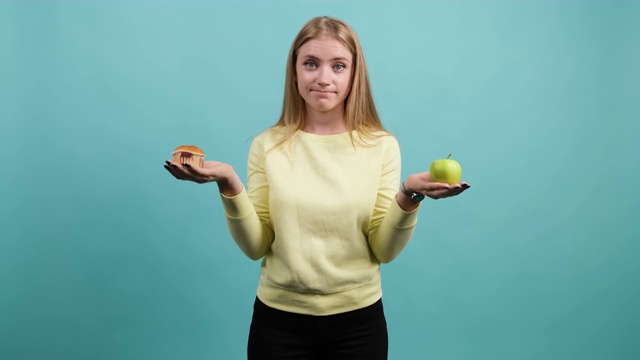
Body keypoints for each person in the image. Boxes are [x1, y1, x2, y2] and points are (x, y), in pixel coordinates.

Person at [164, 15, 470, 360]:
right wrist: (230, 185)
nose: (323, 78)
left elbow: (383, 251)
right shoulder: (267, 145)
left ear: (354, 75)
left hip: (359, 324)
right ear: (294, 71)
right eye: (311, 63)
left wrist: (409, 195)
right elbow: (256, 246)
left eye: (338, 66)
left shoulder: (381, 146)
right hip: (278, 324)